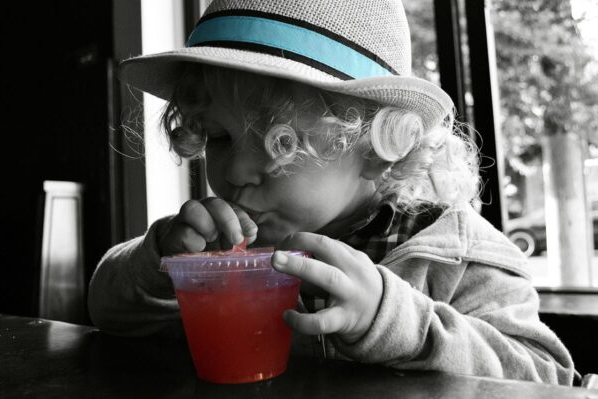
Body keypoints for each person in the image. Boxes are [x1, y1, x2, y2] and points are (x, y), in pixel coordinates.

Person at [88, 0, 575, 385]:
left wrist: (393, 319)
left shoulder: (456, 255)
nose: (235, 170)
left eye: (282, 146)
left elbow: (547, 376)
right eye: (218, 137)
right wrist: (161, 263)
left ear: (375, 146)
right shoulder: (225, 244)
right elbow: (105, 310)